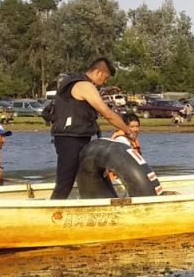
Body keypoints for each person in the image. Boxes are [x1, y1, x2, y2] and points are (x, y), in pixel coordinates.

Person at [49, 58, 138, 200]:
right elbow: (107, 113)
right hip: (70, 139)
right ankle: (52, 213)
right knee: (65, 181)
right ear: (98, 72)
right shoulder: (84, 85)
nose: (106, 81)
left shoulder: (80, 83)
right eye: (106, 77)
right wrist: (128, 131)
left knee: (92, 173)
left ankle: (102, 201)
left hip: (79, 137)